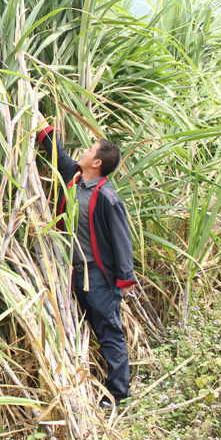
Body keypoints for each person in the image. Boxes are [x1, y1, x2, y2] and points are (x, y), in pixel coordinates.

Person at [33, 110, 138, 405]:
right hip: (70, 270)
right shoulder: (75, 179)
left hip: (98, 276)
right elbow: (59, 155)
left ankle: (118, 393)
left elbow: (121, 239)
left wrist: (124, 279)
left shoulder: (107, 197)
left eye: (89, 150)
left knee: (108, 328)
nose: (84, 151)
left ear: (97, 163)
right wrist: (42, 125)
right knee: (81, 323)